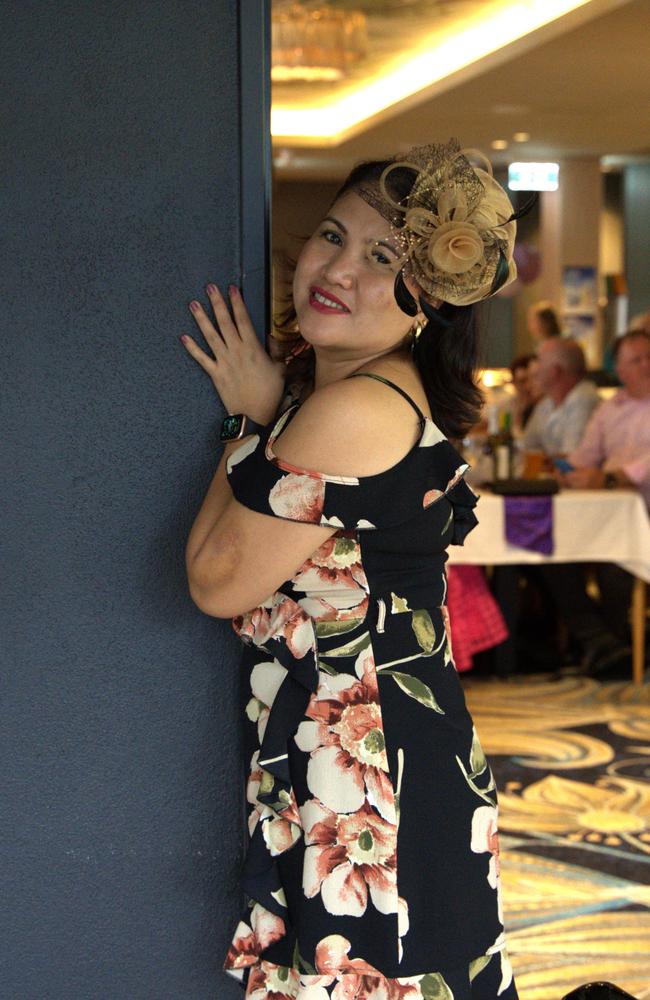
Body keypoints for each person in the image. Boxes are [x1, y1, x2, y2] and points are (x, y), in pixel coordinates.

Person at [182, 141, 520, 999]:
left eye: (383, 259)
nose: (337, 270)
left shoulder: (355, 408)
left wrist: (248, 425)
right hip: (371, 763)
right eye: (332, 236)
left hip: (373, 781)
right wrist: (273, 417)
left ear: (426, 303)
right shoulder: (346, 396)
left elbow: (215, 578)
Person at [522, 338, 600, 458]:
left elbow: (571, 458)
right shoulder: (546, 404)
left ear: (555, 371)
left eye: (539, 361)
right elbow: (526, 447)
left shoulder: (584, 400)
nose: (534, 370)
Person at [509, 353, 540, 436]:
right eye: (522, 381)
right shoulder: (508, 405)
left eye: (533, 378)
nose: (528, 386)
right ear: (514, 383)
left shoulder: (544, 407)